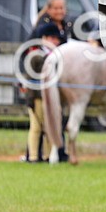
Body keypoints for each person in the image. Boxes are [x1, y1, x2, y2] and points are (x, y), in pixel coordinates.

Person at [20, 21, 66, 162]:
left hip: (50, 97)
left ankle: (47, 155)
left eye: (56, 39)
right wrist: (31, 99)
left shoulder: (57, 57)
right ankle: (33, 156)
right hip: (37, 97)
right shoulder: (36, 55)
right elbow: (30, 78)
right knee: (36, 127)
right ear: (44, 38)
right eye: (52, 38)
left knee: (48, 127)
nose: (55, 42)